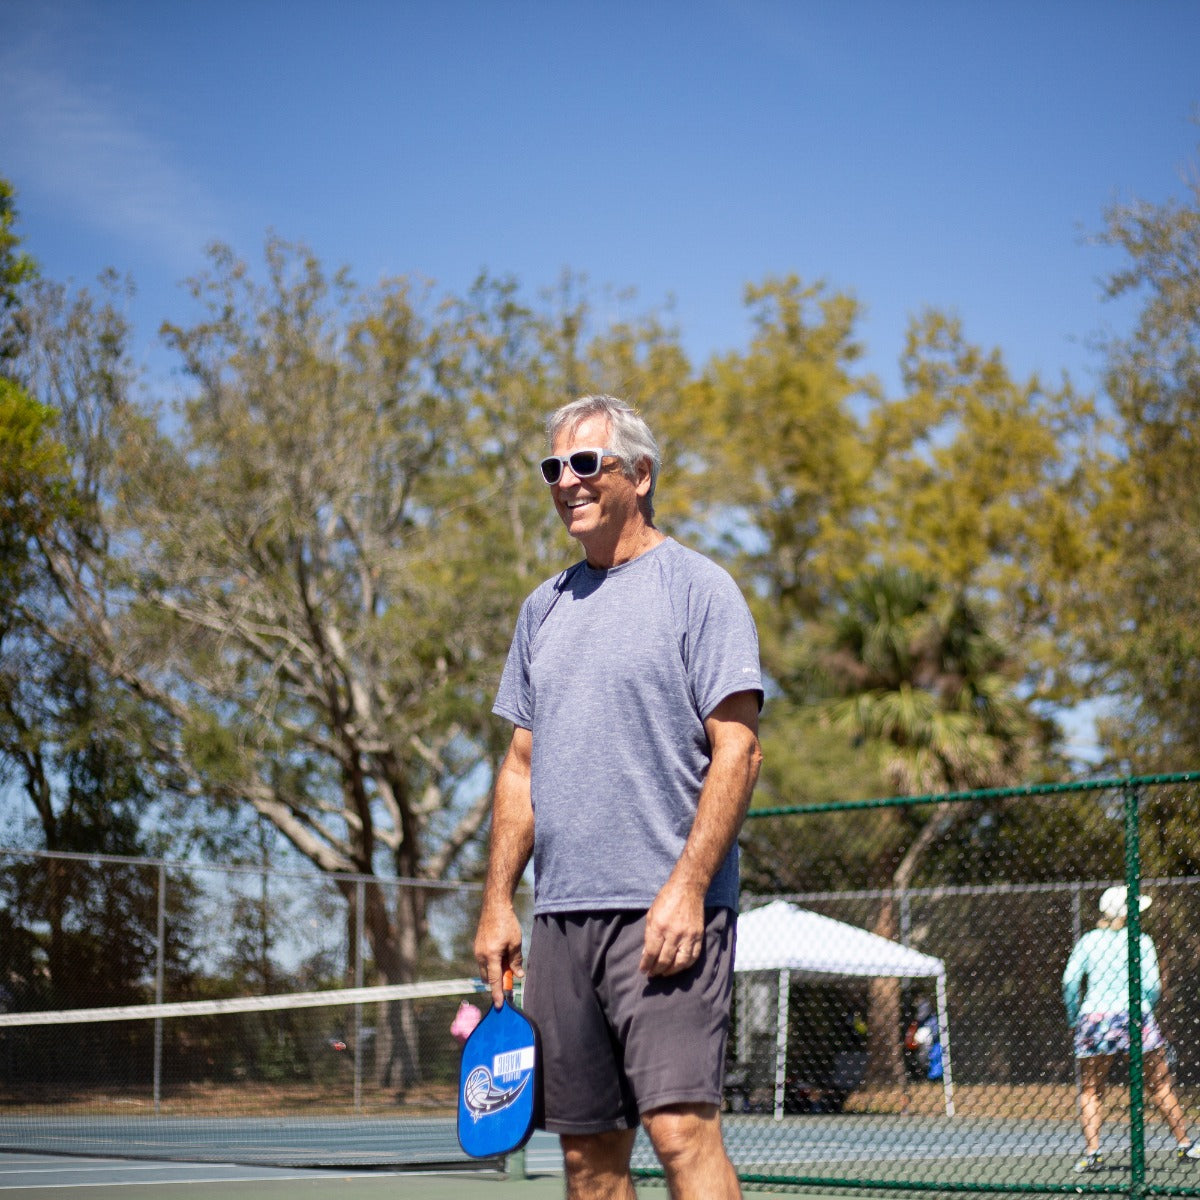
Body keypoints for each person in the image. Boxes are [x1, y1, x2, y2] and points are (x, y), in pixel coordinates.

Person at [474, 394, 763, 1200]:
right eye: (553, 467)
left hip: (665, 915)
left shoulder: (701, 590)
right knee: (588, 1159)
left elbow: (738, 751)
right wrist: (499, 903)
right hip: (560, 920)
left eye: (586, 463)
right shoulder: (543, 610)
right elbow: (520, 770)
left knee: (679, 1135)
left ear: (639, 474)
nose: (567, 481)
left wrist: (688, 889)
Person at [1061, 885, 1199, 1173]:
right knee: (1159, 1083)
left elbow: (1070, 981)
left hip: (1095, 1019)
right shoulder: (1141, 940)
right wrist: (1143, 1010)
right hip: (1133, 1016)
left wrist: (1075, 1017)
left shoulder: (1088, 941)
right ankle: (1185, 1145)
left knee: (1091, 1089)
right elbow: (1151, 986)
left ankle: (1093, 1153)